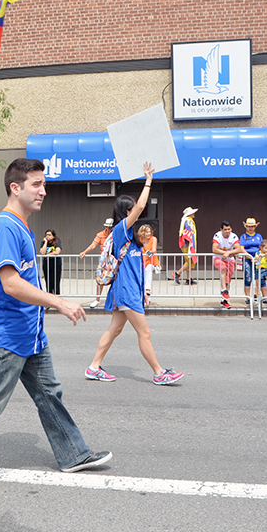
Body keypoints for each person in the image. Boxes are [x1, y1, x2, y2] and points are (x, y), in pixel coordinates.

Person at [0, 158, 111, 489]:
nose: (43, 191)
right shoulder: (5, 226)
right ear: (15, 188)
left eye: (44, 184)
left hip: (30, 336)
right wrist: (59, 301)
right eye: (36, 184)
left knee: (49, 394)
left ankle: (74, 453)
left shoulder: (21, 226)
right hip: (9, 336)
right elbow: (11, 284)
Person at [85, 162, 185, 385]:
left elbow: (137, 268)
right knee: (144, 332)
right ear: (126, 211)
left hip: (128, 290)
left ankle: (93, 367)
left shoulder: (130, 236)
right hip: (125, 290)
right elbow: (141, 207)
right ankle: (159, 373)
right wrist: (148, 180)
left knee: (114, 329)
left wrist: (144, 292)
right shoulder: (121, 229)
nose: (138, 210)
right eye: (132, 208)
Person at [79, 218, 113, 308]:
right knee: (99, 279)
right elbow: (94, 244)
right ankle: (97, 299)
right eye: (108, 227)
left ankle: (114, 299)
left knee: (115, 279)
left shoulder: (115, 234)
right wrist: (84, 251)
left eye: (111, 227)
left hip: (113, 260)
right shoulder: (100, 234)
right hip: (103, 260)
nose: (109, 229)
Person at [212, 221, 244, 310]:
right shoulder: (217, 236)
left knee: (228, 278)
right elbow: (214, 249)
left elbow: (238, 249)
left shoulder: (233, 236)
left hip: (230, 259)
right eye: (225, 229)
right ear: (221, 229)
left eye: (229, 229)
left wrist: (229, 253)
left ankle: (224, 300)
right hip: (218, 258)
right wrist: (225, 253)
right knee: (223, 269)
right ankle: (223, 290)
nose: (227, 231)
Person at [240, 218, 267, 304]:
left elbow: (263, 247)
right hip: (248, 259)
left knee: (260, 277)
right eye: (248, 226)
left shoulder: (259, 236)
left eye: (252, 226)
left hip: (258, 259)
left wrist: (263, 254)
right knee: (248, 278)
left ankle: (263, 297)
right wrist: (249, 256)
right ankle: (248, 297)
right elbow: (241, 248)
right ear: (246, 226)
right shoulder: (243, 236)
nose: (250, 228)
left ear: (255, 227)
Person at [175, 207, 197, 285]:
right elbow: (188, 233)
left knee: (188, 260)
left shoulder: (185, 220)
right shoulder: (189, 221)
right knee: (190, 261)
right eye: (192, 213)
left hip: (185, 243)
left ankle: (188, 278)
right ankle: (177, 273)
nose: (194, 214)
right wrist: (190, 244)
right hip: (188, 244)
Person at [138, 224, 160, 298]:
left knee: (148, 269)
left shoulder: (153, 239)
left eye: (150, 232)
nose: (149, 234)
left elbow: (153, 250)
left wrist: (147, 253)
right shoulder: (139, 240)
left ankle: (148, 289)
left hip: (151, 261)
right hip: (141, 261)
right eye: (147, 232)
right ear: (142, 232)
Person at [39, 229, 62, 295]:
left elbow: (57, 252)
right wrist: (45, 242)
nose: (47, 236)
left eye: (49, 235)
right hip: (46, 264)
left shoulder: (57, 242)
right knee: (48, 282)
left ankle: (57, 297)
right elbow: (42, 252)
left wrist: (47, 255)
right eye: (46, 235)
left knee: (56, 282)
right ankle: (49, 297)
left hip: (56, 264)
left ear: (53, 236)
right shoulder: (43, 243)